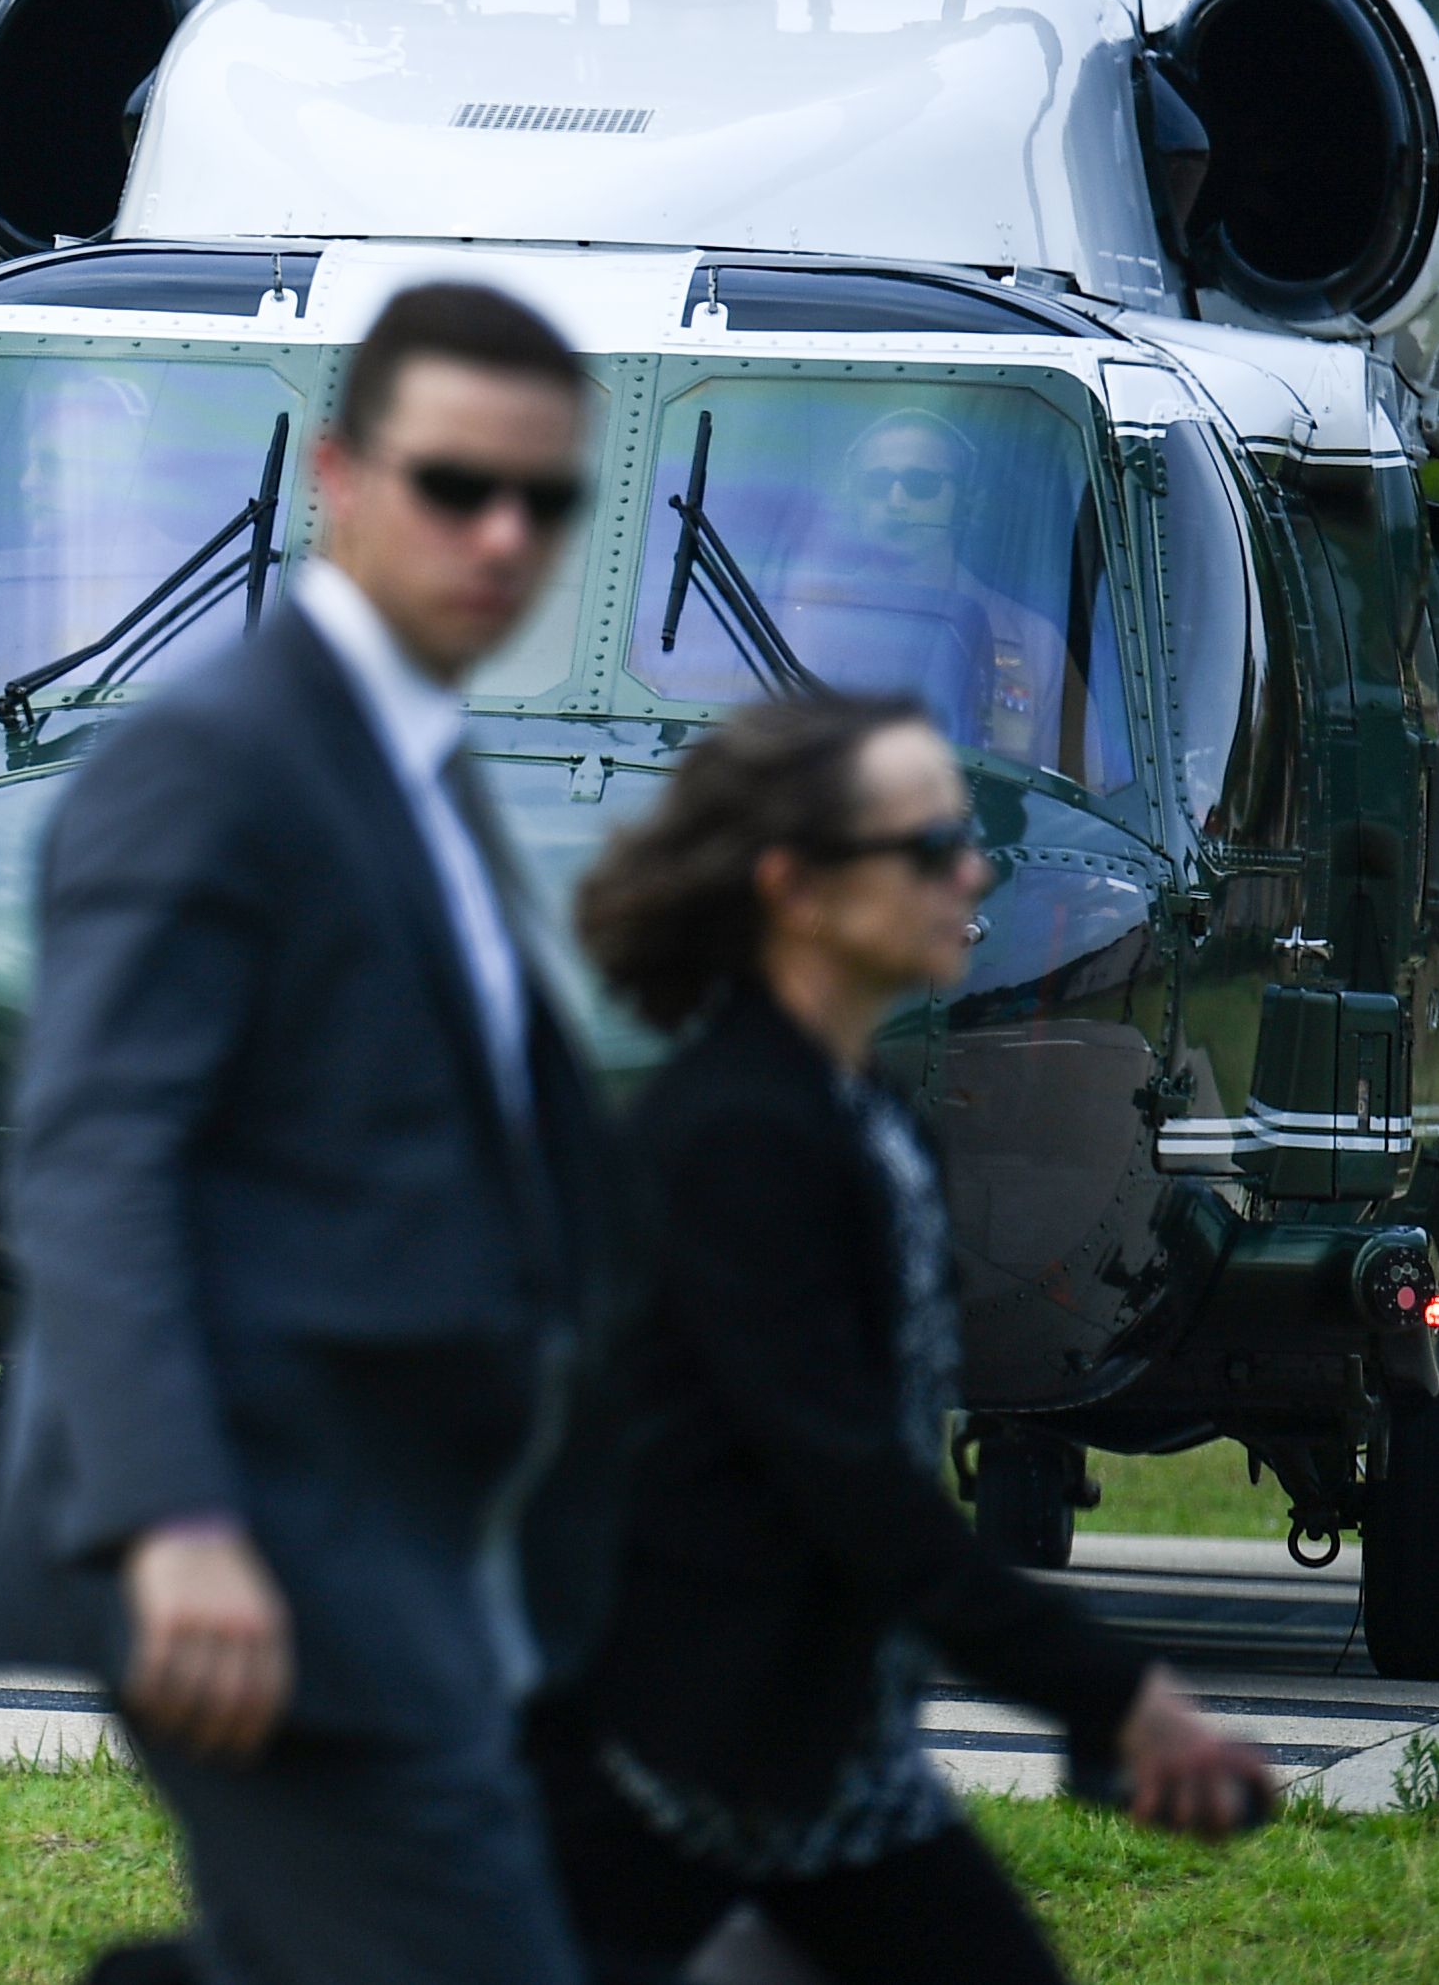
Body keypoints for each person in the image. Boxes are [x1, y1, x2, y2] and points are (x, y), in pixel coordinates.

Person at [0, 283, 641, 1985]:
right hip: (266, 1539)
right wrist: (173, 1519)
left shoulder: (406, 763)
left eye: (545, 500)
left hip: (407, 1541)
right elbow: (92, 1157)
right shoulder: (213, 762)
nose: (500, 536)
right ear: (338, 473)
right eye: (451, 486)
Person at [545, 694, 1272, 1985]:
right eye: (929, 844)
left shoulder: (861, 1115)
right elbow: (852, 1486)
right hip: (659, 1762)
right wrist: (1110, 1693)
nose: (973, 867)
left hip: (817, 1766)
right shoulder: (729, 1141)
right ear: (798, 889)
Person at [825, 410, 1066, 772]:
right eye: (876, 483)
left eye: (921, 483)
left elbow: (1072, 794)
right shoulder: (808, 618)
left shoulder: (1034, 640)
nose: (896, 501)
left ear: (964, 498)